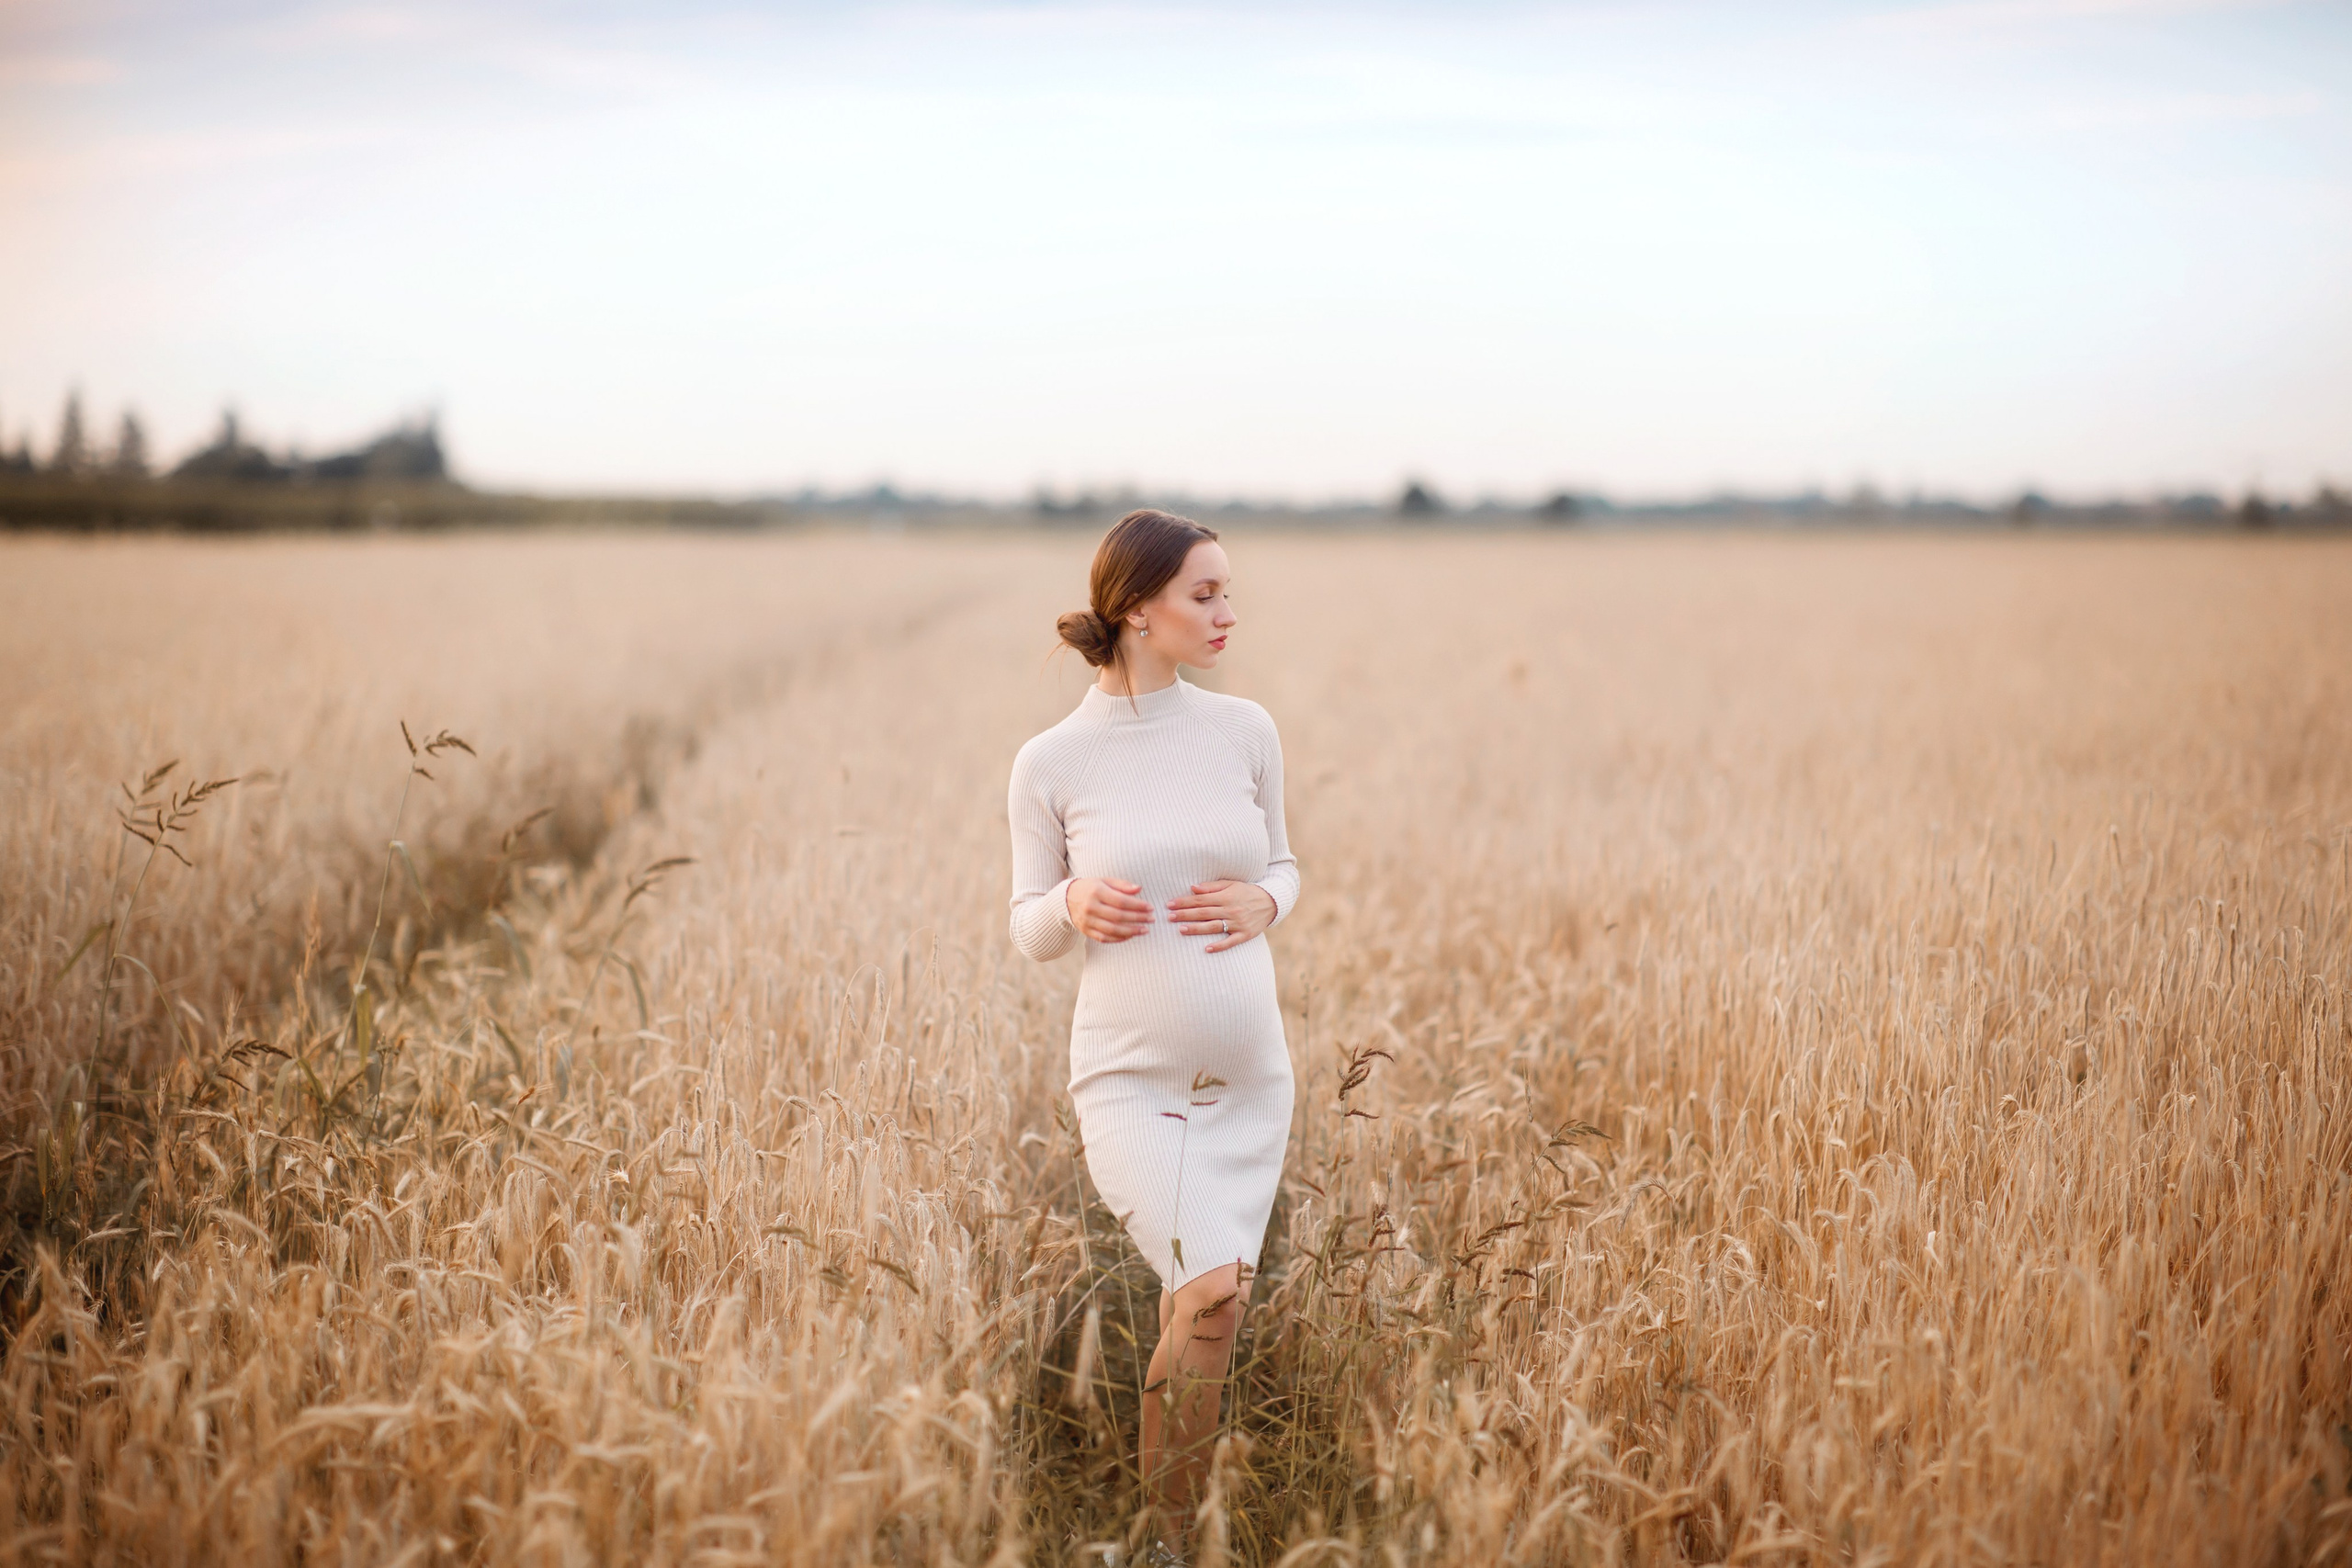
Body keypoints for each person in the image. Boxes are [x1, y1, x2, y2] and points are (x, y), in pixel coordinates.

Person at [1006, 508, 1300, 1559]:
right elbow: (1025, 925)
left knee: (1213, 1309)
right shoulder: (1051, 761)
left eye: (1227, 590)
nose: (1227, 612)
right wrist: (1072, 904)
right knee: (1210, 1284)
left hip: (1249, 1079)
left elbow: (1281, 864)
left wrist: (1269, 904)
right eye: (1204, 593)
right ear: (1138, 610)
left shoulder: (1244, 729)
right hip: (1129, 1078)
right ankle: (1175, 1535)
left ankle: (1168, 1535)